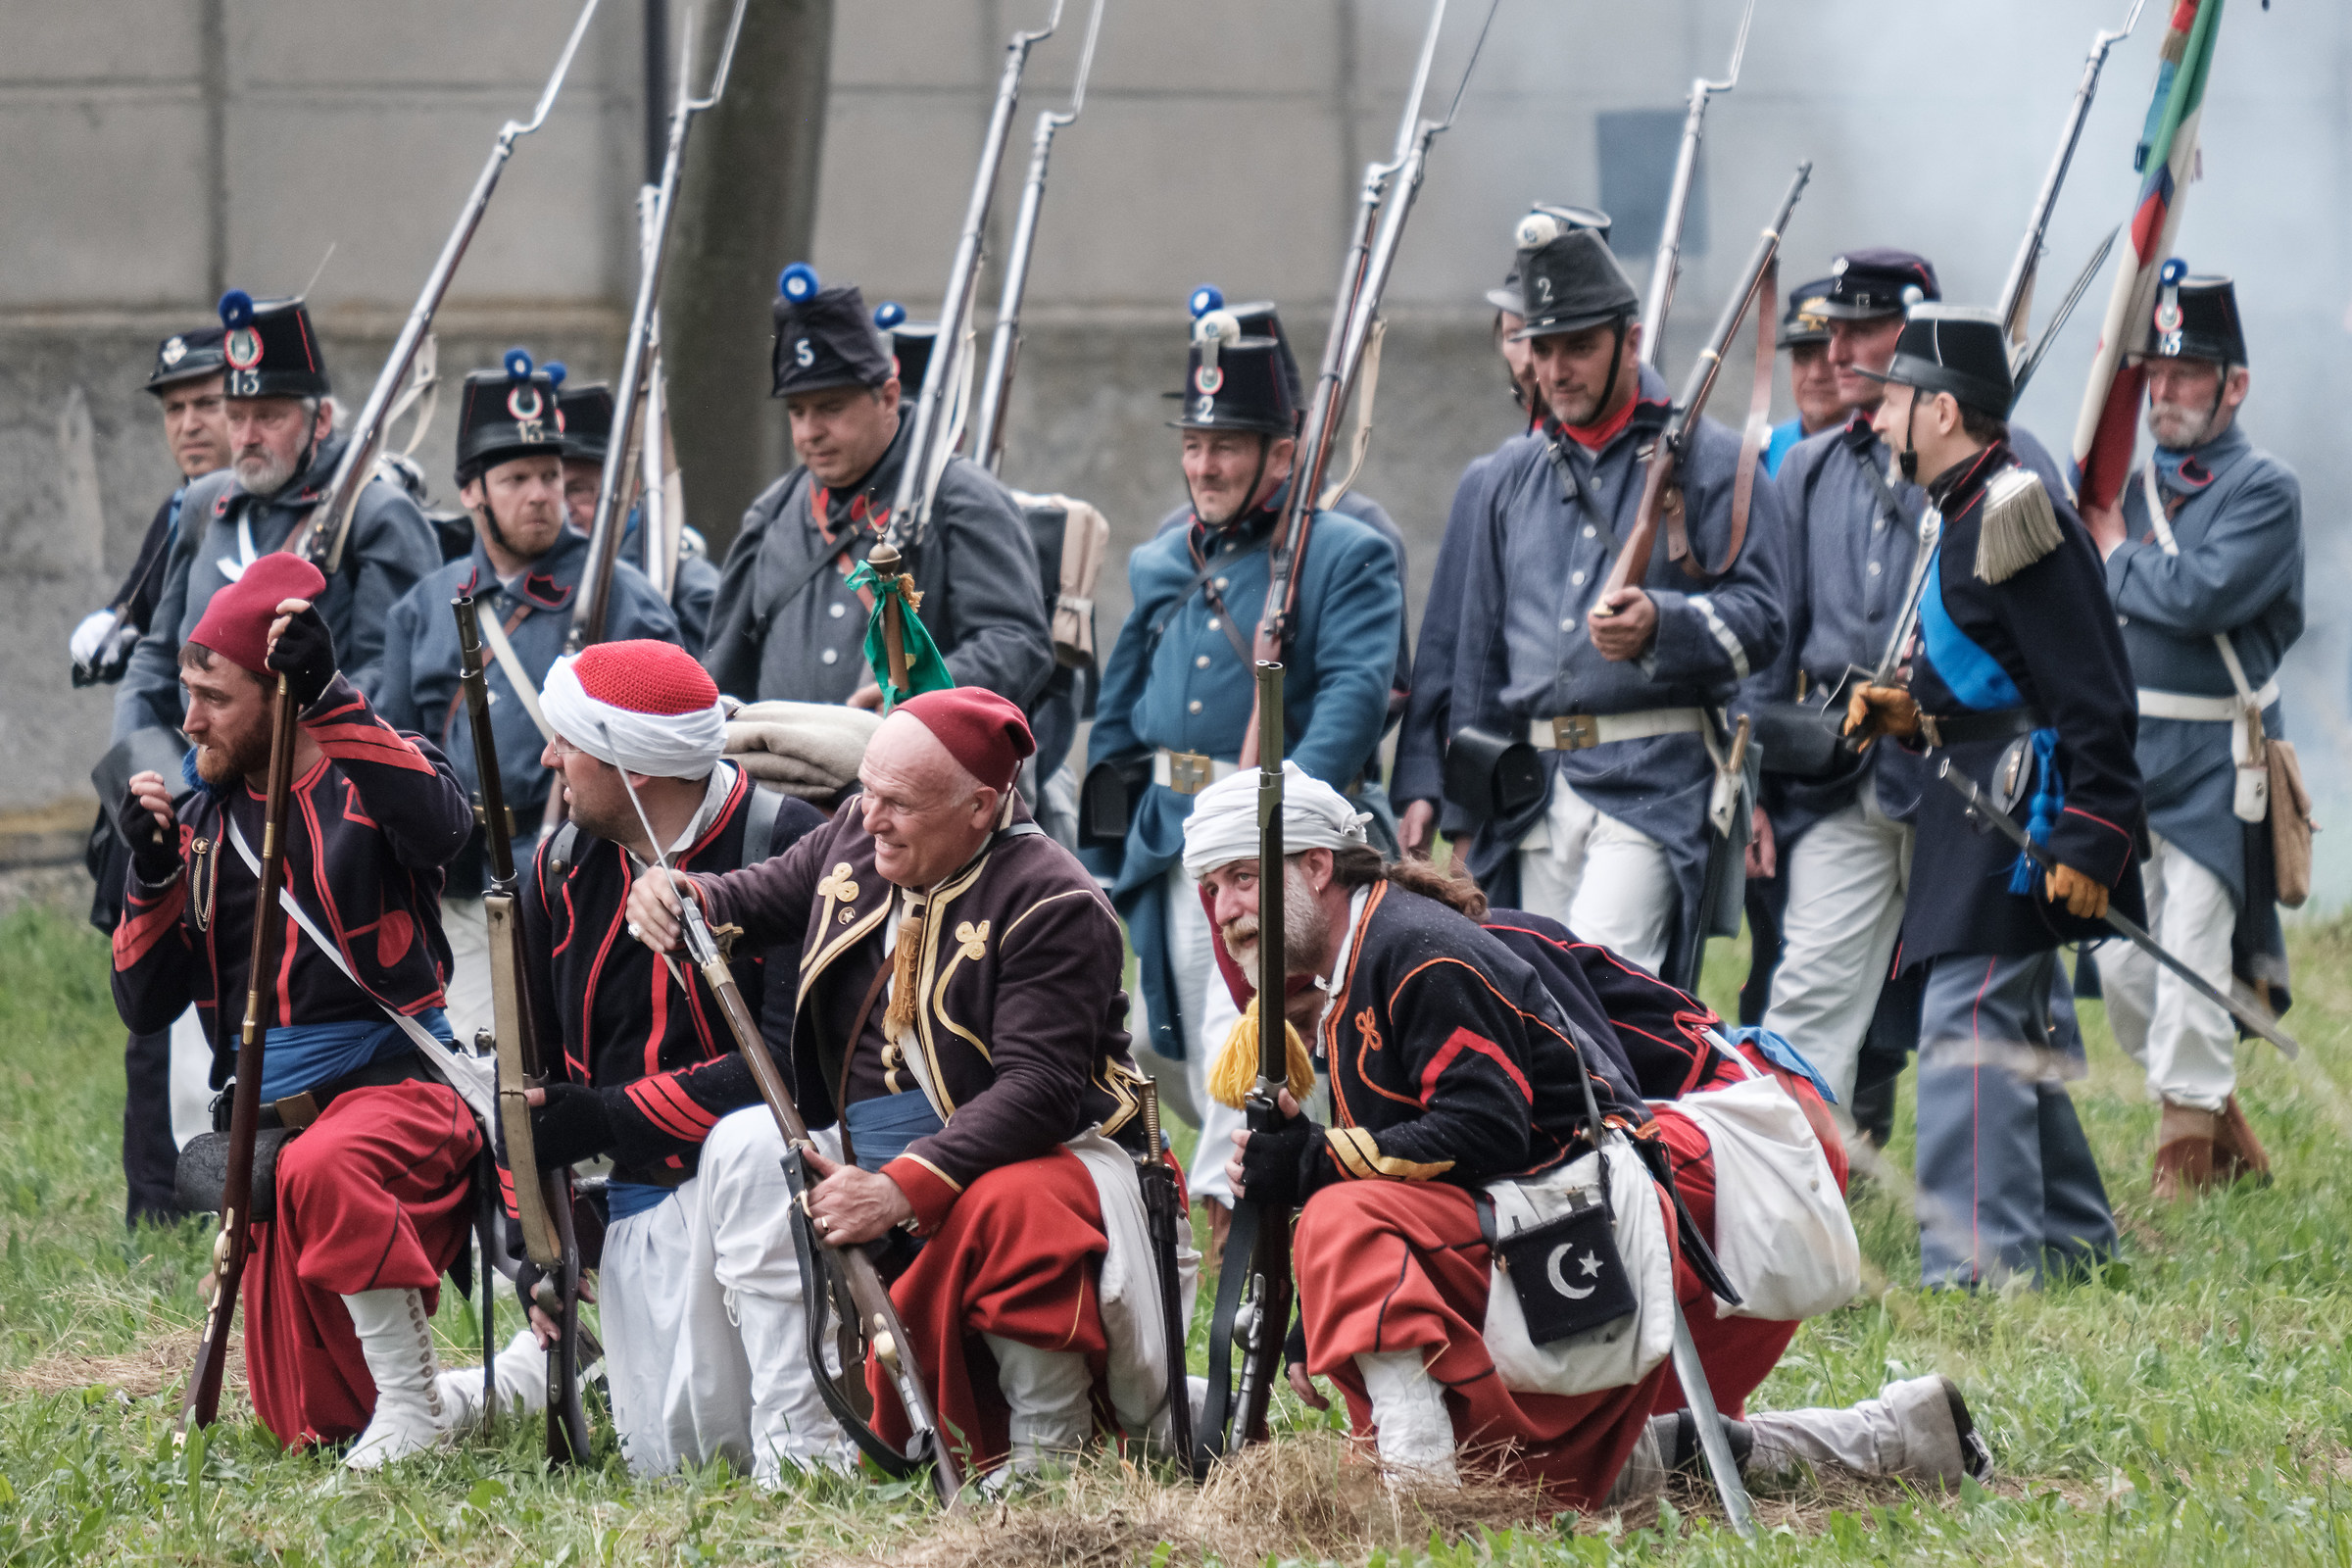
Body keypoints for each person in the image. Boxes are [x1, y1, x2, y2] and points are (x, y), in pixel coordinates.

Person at [623, 688, 1186, 1479]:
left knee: (1011, 1207)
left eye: (900, 803)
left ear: (980, 807)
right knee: (748, 1146)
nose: (870, 816)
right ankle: (801, 1444)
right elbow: (761, 897)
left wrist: (897, 1190)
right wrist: (686, 894)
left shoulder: (1056, 902)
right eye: (868, 791)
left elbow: (1039, 1093)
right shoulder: (858, 832)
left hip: (1029, 1160)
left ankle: (1046, 1451)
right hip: (866, 1144)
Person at [108, 553, 490, 1468]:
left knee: (324, 1165)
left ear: (280, 698)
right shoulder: (200, 826)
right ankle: (490, 1388)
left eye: (216, 697)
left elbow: (448, 828)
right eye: (188, 691)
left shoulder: (372, 770)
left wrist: (331, 696)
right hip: (265, 1141)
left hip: (400, 1102)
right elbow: (143, 1002)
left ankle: (413, 1406)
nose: (188, 719)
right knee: (312, 1424)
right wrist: (151, 874)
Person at [1844, 305, 2144, 1288]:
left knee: (1967, 1033)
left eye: (1892, 400)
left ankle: (1977, 1271)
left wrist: (2094, 836)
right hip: (1975, 806)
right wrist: (1913, 709)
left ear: (1940, 409)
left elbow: (2093, 689)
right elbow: (1998, 673)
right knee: (2003, 1027)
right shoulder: (1967, 512)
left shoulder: (2015, 513)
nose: (1879, 420)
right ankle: (2071, 1243)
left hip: (2018, 822)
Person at [1408, 215, 1785, 988]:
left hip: (1655, 785)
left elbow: (1764, 622)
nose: (1555, 369)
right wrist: (1461, 815)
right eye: (1541, 348)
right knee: (1539, 1012)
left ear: (1631, 339)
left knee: (1604, 1005)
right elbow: (1479, 661)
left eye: (1578, 345)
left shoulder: (1711, 461)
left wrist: (1663, 625)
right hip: (1533, 794)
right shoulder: (1510, 478)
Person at [1086, 297, 1400, 1214]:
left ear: (1284, 451)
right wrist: (1103, 835)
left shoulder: (1345, 555)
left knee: (1245, 1027)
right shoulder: (1161, 555)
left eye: (1229, 444)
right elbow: (1121, 701)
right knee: (1159, 1041)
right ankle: (1273, 1151)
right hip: (1163, 823)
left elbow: (1351, 694)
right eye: (1194, 442)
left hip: (1263, 823)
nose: (1205, 464)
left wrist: (1286, 813)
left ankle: (1236, 1220)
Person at [495, 640, 837, 1482]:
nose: (548, 760)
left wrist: (607, 1118)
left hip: (777, 1204)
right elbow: (531, 1084)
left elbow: (795, 1075)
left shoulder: (792, 844)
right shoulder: (556, 870)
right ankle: (486, 1390)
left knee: (749, 1146)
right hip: (637, 1218)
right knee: (675, 1460)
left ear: (636, 769)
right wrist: (540, 1239)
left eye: (567, 741)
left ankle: (811, 1451)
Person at [371, 354, 680, 1052]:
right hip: (464, 882)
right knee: (486, 1070)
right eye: (515, 479)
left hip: (595, 877)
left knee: (595, 1057)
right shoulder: (426, 607)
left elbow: (675, 750)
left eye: (549, 474)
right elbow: (397, 756)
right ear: (472, 491)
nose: (541, 494)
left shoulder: (622, 596)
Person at [2082, 266, 2298, 1197]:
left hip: (2217, 759)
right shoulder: (2122, 489)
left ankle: (2185, 1174)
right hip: (2132, 759)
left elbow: (2199, 592)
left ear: (2232, 385)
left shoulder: (2263, 490)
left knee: (2193, 961)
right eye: (2156, 375)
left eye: (2188, 374)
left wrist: (2110, 552)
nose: (2166, 392)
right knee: (2127, 972)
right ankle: (2217, 1127)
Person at [703, 268, 1054, 714]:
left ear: (888, 397)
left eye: (831, 408)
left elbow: (1017, 644)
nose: (810, 432)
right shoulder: (773, 514)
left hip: (914, 774)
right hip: (782, 775)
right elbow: (723, 673)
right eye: (797, 411)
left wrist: (922, 694)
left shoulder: (961, 498)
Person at [113, 291, 442, 746]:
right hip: (199, 784)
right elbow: (156, 660)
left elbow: (388, 679)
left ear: (320, 420)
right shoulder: (205, 502)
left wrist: (285, 752)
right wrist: (144, 780)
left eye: (268, 416)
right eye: (235, 416)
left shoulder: (375, 513)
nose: (246, 437)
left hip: (312, 788)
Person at [1397, 206, 1613, 869]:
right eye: (1518, 335)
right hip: (1510, 779)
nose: (1531, 359)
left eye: (1552, 338)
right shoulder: (1492, 479)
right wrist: (1425, 780)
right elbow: (1451, 650)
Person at [78, 325, 233, 1227]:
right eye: (174, 409)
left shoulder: (230, 511)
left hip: (235, 790)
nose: (190, 425)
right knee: (145, 988)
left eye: (205, 403)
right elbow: (148, 644)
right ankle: (156, 1200)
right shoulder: (184, 512)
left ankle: (210, 1188)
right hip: (162, 786)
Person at [552, 372, 723, 659]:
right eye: (552, 489)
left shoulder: (691, 588)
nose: (563, 508)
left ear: (630, 490)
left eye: (579, 490)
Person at [1759, 277, 1841, 478]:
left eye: (1831, 358)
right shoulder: (1761, 454)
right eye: (1803, 357)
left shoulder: (1887, 452)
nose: (1816, 374)